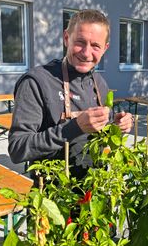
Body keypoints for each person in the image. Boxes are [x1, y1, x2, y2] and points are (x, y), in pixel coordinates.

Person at [8, 9, 133, 180]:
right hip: (54, 195)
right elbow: (18, 149)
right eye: (80, 42)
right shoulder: (36, 82)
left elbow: (104, 129)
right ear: (66, 38)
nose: (86, 53)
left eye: (95, 46)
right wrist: (74, 127)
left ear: (105, 48)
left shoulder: (99, 83)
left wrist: (117, 124)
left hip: (94, 190)